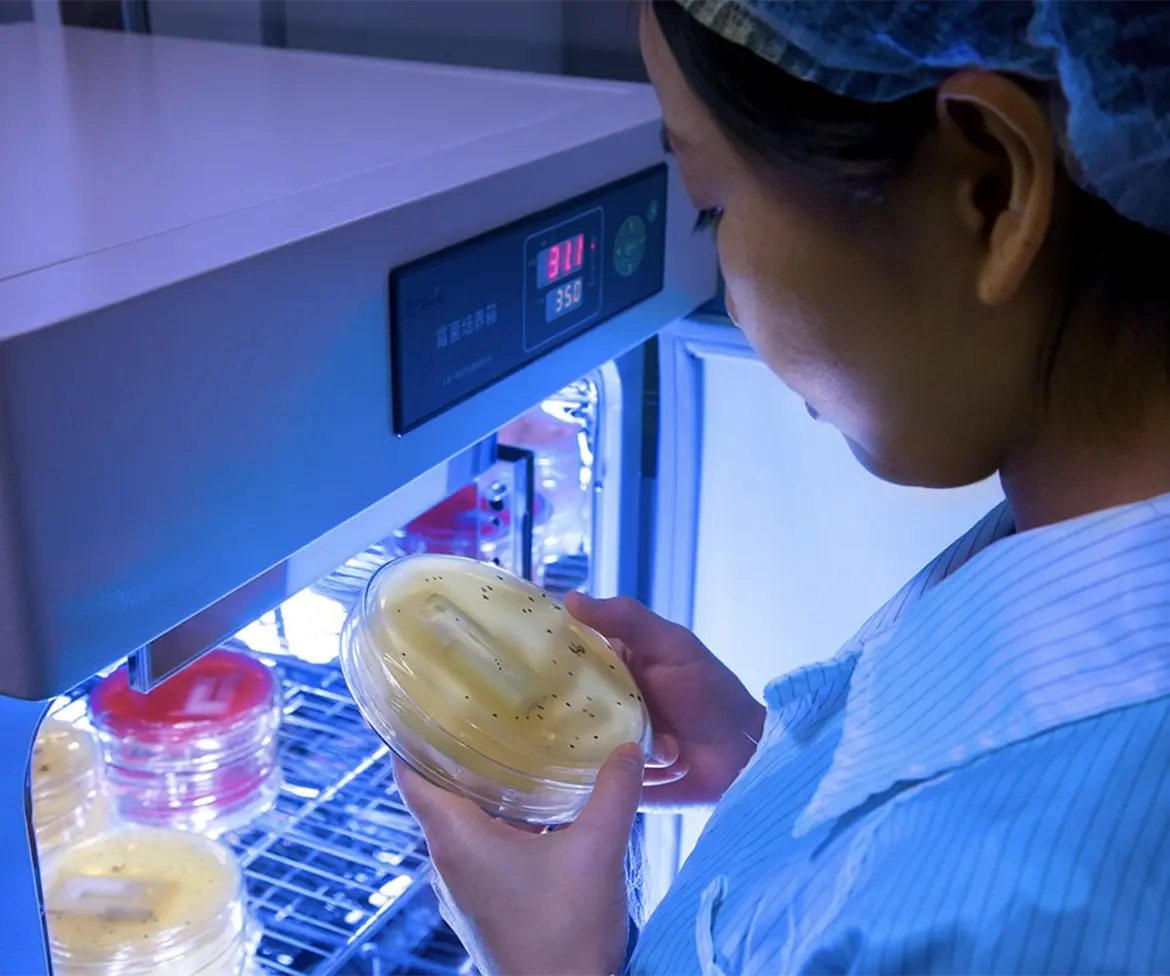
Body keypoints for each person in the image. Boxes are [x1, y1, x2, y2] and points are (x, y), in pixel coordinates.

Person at [394, 0, 1170, 972]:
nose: (718, 263)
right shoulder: (1087, 511)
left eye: (714, 205)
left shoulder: (1040, 898)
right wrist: (774, 769)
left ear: (991, 187)